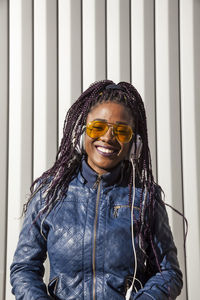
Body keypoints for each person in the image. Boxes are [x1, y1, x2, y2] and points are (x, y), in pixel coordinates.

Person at [10, 80, 183, 300]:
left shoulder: (145, 198)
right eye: (98, 127)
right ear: (83, 134)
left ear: (134, 144)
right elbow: (24, 269)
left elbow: (168, 273)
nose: (108, 137)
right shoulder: (50, 193)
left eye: (121, 131)